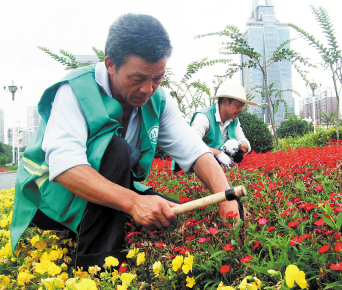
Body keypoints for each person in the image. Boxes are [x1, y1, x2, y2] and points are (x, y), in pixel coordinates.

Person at [10, 14, 241, 269]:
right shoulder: (75, 90)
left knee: (169, 213)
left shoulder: (158, 100)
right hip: (49, 201)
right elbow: (65, 167)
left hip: (98, 190)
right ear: (111, 64)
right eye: (138, 78)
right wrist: (133, 203)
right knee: (115, 149)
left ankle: (102, 232)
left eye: (157, 78)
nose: (148, 89)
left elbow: (195, 150)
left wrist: (226, 198)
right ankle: (97, 267)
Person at [190, 83, 257, 168]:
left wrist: (238, 144)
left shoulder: (234, 120)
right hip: (198, 163)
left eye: (242, 106)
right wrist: (219, 154)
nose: (241, 110)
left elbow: (246, 146)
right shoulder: (204, 117)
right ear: (225, 101)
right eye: (238, 105)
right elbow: (192, 144)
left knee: (238, 154)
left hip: (216, 165)